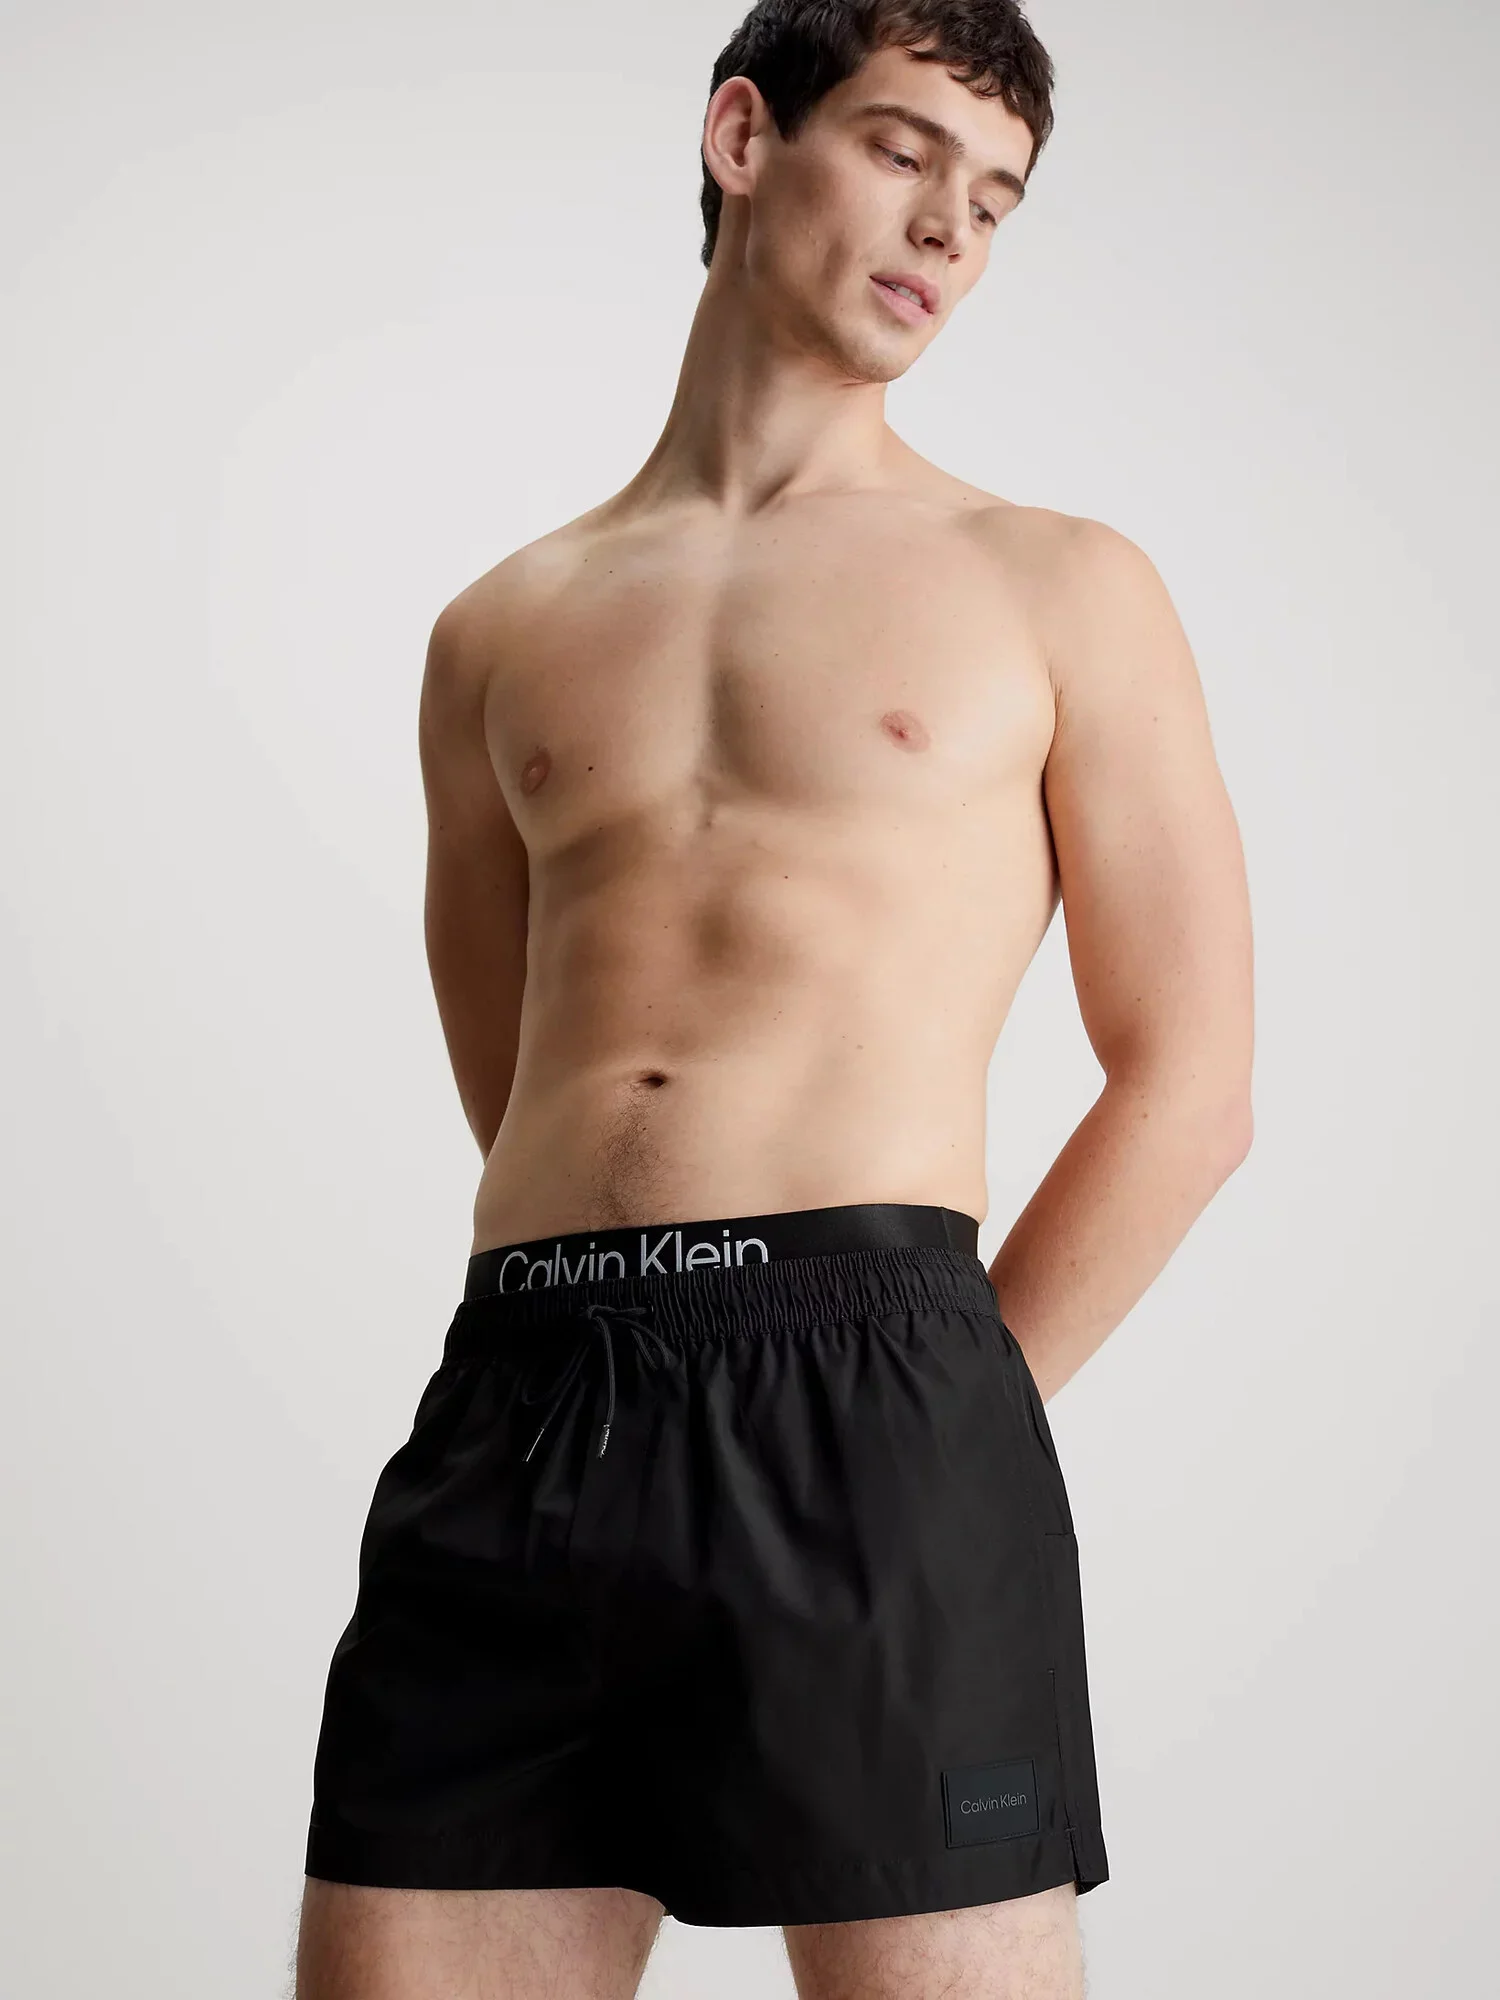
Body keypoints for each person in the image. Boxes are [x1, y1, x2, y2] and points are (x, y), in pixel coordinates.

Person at [295, 3, 1254, 1994]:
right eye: (903, 151)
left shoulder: (1055, 584)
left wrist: (950, 1409)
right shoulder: (500, 630)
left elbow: (1191, 1075)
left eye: (995, 200)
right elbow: (520, 1074)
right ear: (745, 135)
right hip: (525, 1405)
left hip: (881, 1392)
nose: (950, 228)